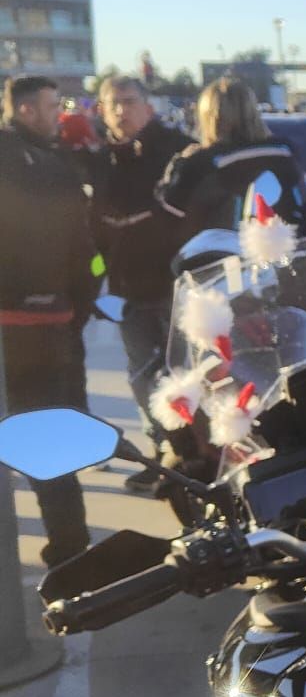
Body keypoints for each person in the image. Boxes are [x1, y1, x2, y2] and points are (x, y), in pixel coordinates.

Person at [0, 75, 99, 565]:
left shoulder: (55, 161)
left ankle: (69, 541)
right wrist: (78, 307)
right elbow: (85, 250)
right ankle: (70, 542)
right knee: (50, 437)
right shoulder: (53, 166)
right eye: (49, 106)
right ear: (24, 111)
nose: (58, 114)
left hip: (45, 322)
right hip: (40, 324)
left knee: (47, 437)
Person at [87, 74, 191, 492]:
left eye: (129, 102)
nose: (120, 110)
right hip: (127, 286)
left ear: (148, 107)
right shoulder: (100, 158)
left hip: (174, 282)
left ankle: (191, 454)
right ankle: (162, 452)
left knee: (181, 372)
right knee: (141, 375)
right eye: (112, 103)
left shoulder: (176, 150)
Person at [157, 76, 303, 242]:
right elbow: (299, 198)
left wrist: (178, 163)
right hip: (280, 254)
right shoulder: (284, 151)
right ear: (252, 111)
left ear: (209, 117)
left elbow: (170, 210)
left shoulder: (200, 161)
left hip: (219, 260)